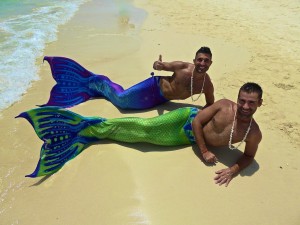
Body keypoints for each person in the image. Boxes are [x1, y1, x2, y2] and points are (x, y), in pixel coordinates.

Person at [18, 82, 262, 186]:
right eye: (243, 100)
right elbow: (198, 122)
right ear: (238, 98)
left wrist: (233, 170)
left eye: (251, 103)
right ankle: (86, 126)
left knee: (143, 138)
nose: (245, 106)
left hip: (186, 139)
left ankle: (89, 134)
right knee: (145, 127)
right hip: (186, 120)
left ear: (260, 104)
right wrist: (205, 150)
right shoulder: (223, 105)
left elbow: (248, 157)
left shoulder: (254, 133)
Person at [41, 47, 214, 110]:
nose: (202, 63)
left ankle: (101, 88)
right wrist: (158, 65)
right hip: (153, 87)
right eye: (199, 59)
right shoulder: (182, 67)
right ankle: (99, 81)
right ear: (194, 60)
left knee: (126, 104)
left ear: (210, 64)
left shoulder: (207, 86)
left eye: (206, 61)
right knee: (122, 100)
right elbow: (160, 65)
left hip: (161, 101)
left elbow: (209, 104)